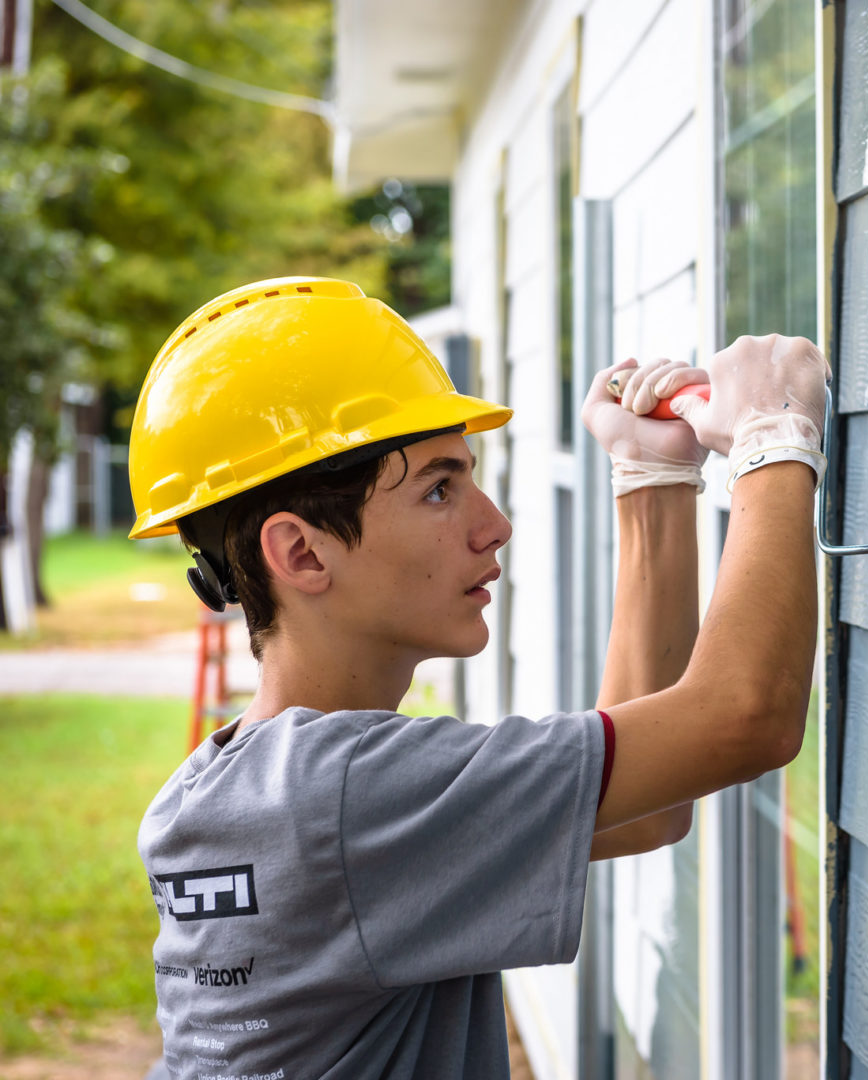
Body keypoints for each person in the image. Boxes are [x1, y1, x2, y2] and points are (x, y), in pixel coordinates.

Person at [130, 277, 827, 1079]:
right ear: (302, 553)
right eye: (438, 488)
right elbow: (744, 718)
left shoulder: (222, 794)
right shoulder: (351, 797)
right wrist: (773, 437)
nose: (492, 525)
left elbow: (646, 810)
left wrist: (652, 478)